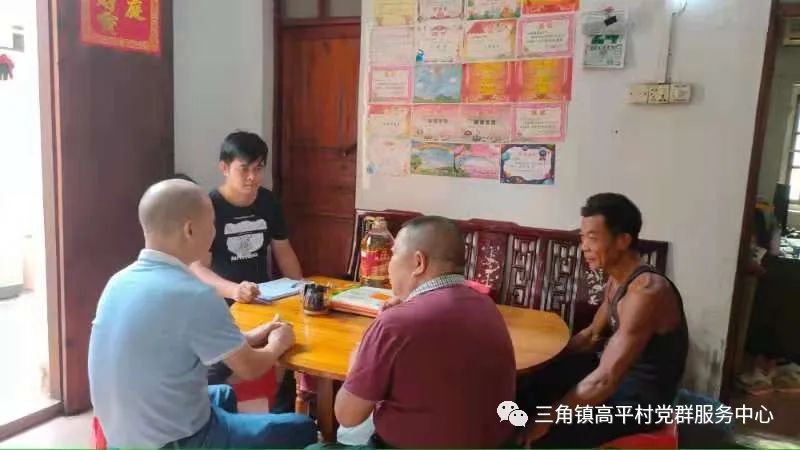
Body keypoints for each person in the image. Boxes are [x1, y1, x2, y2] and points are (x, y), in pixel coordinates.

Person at [88, 179, 317, 449]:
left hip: (121, 435)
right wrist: (278, 343)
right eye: (212, 224)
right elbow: (250, 368)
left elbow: (175, 339)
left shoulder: (118, 282)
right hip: (175, 442)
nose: (215, 233)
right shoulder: (194, 293)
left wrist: (254, 335)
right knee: (302, 428)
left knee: (223, 394)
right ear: (189, 229)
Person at [518, 193, 689, 448]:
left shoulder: (647, 292)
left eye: (592, 238)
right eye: (582, 238)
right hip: (616, 379)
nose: (584, 247)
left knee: (548, 435)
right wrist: (543, 360)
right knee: (530, 387)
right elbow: (591, 336)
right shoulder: (617, 280)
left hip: (641, 402)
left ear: (623, 240)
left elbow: (605, 379)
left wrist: (550, 416)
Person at [334, 216, 517, 448]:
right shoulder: (487, 307)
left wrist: (357, 362)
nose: (388, 265)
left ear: (419, 262)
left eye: (393, 254)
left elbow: (347, 415)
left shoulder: (395, 323)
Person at [189, 131, 302, 405]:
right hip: (224, 304)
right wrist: (234, 290)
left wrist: (301, 289)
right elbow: (197, 268)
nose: (253, 177)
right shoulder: (209, 207)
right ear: (224, 168)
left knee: (293, 347)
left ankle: (283, 407)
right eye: (244, 169)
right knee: (220, 369)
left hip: (264, 299)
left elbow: (284, 251)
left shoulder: (268, 202)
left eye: (258, 168)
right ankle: (214, 409)